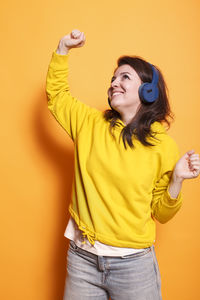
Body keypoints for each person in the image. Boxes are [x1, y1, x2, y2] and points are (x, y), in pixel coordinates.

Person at [46, 29, 200, 300]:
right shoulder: (89, 124)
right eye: (113, 78)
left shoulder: (163, 147)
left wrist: (177, 179)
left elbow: (161, 213)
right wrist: (62, 49)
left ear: (148, 90)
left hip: (134, 267)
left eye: (124, 77)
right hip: (83, 260)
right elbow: (57, 96)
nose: (114, 83)